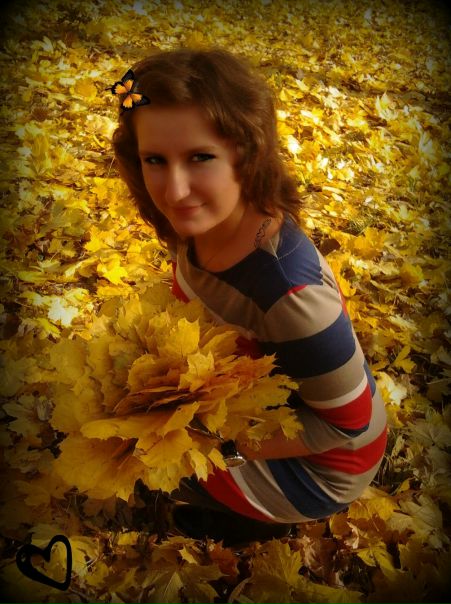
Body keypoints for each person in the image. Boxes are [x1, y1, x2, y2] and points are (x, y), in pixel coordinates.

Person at [111, 48, 388, 547]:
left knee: (140, 460)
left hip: (317, 468)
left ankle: (251, 518)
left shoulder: (292, 298)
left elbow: (347, 426)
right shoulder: (200, 226)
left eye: (200, 158)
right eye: (155, 160)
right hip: (252, 409)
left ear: (247, 153)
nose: (174, 191)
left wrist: (218, 446)